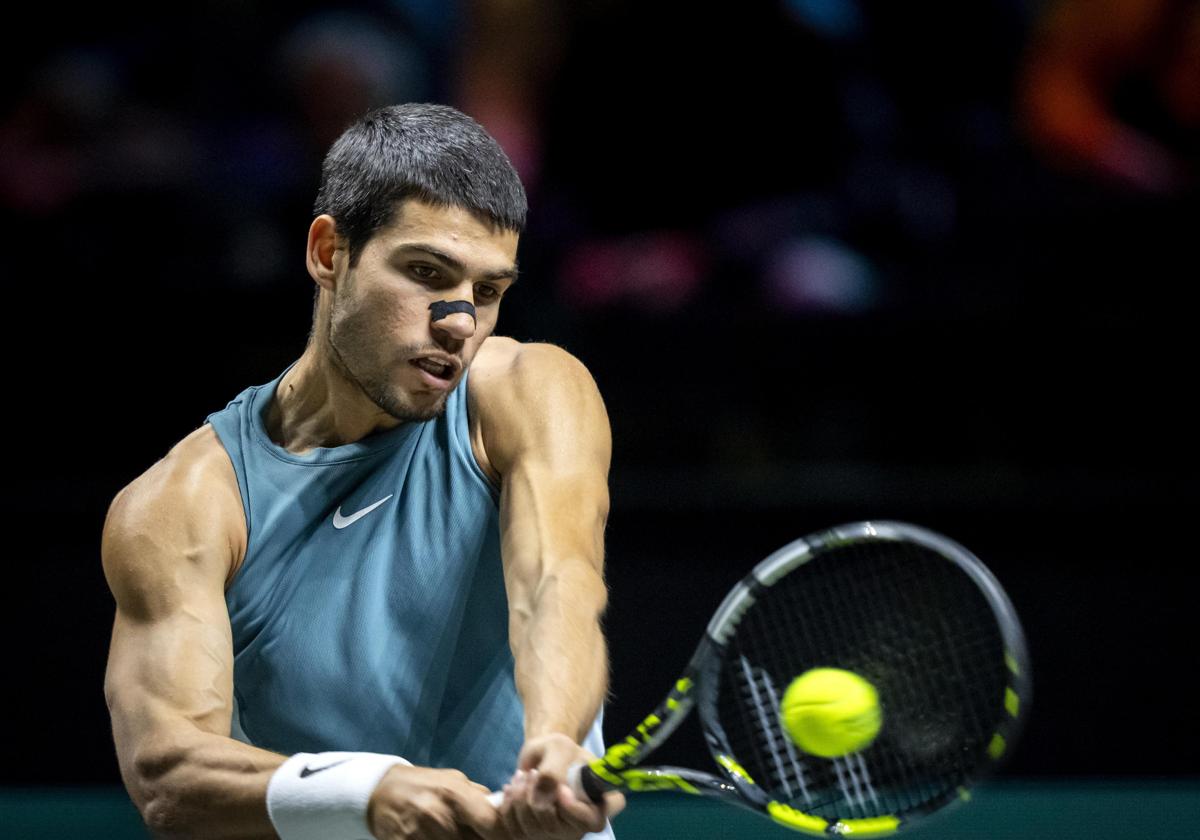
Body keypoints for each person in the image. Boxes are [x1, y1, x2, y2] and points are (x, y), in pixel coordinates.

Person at [101, 102, 623, 840]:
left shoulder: (528, 390)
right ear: (328, 252)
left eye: (487, 291)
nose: (459, 323)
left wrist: (555, 740)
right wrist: (367, 790)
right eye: (426, 272)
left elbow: (556, 582)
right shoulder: (184, 504)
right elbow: (166, 772)